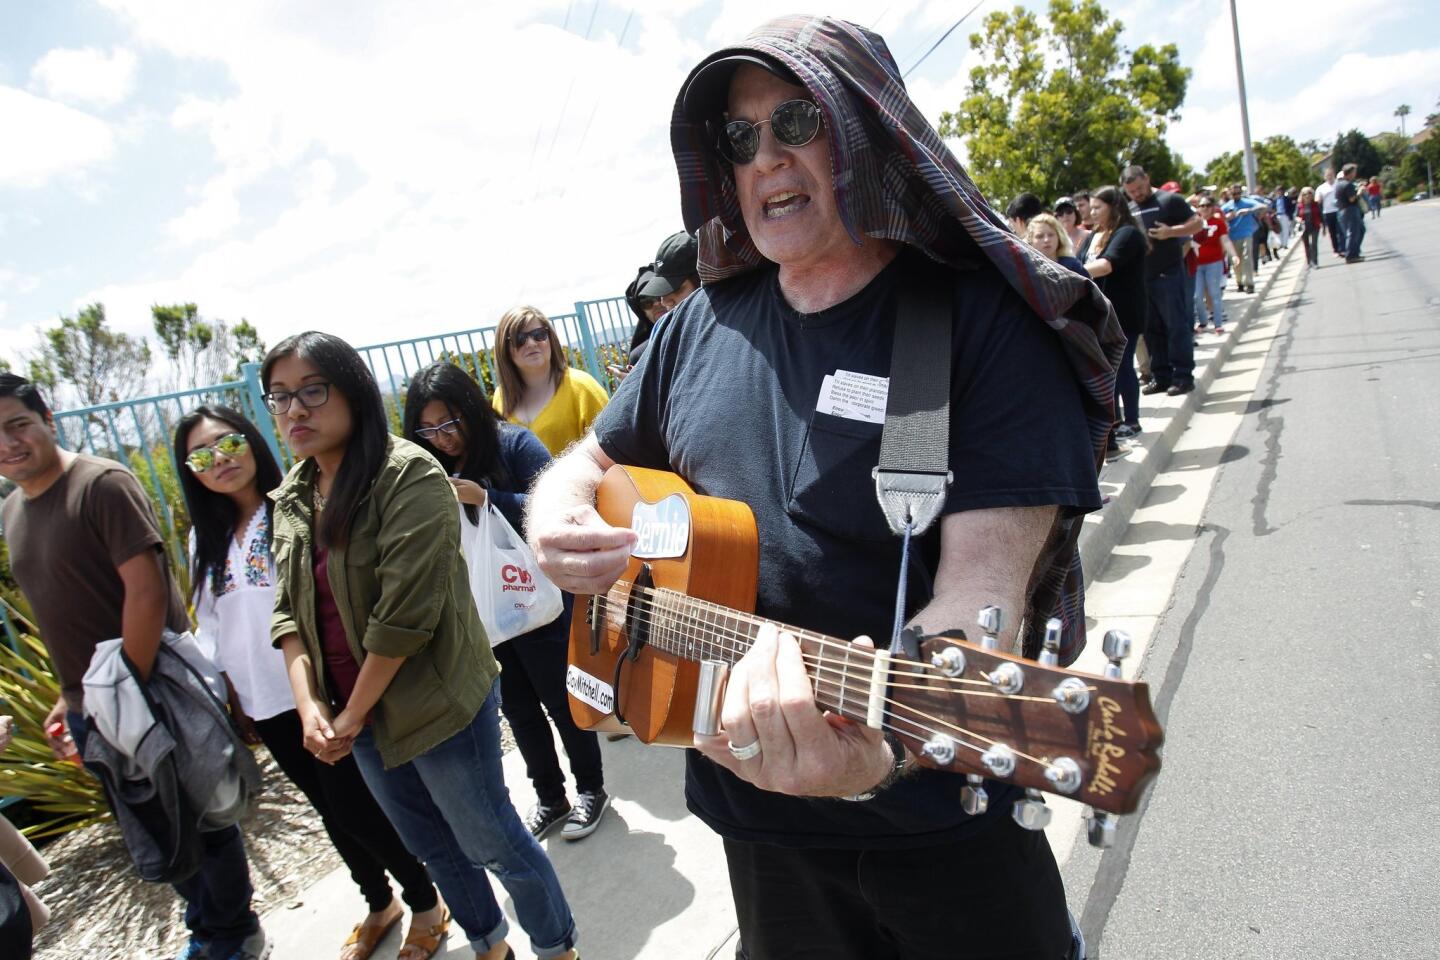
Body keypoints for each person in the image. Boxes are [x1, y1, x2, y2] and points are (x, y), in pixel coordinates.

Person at [528, 16, 1124, 960]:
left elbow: (983, 601)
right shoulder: (696, 327)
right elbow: (587, 463)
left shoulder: (981, 325)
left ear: (864, 133)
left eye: (794, 121)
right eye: (739, 137)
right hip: (753, 824)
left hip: (945, 826)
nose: (765, 157)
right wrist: (554, 512)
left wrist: (880, 751)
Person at [261, 334, 580, 960]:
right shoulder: (294, 496)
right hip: (361, 719)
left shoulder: (407, 474)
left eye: (311, 392)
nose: (294, 410)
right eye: (279, 397)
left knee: (490, 839)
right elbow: (288, 614)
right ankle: (491, 946)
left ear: (353, 395)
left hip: (435, 701)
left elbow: (403, 616)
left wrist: (346, 717)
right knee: (432, 846)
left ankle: (557, 947)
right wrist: (310, 710)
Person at [0, 373, 270, 960]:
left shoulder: (101, 484)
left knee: (199, 819)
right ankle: (208, 927)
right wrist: (68, 699)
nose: (8, 443)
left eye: (17, 424)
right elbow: (63, 613)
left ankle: (234, 936)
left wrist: (125, 693)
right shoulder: (14, 510)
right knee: (155, 831)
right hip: (93, 703)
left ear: (46, 417)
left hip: (145, 690)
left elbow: (146, 594)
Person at [174, 405, 442, 960]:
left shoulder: (294, 509)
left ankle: (425, 903)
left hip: (318, 696)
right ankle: (378, 902)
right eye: (200, 455)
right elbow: (214, 628)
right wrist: (232, 699)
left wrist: (323, 695)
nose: (218, 461)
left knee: (357, 809)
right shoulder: (205, 541)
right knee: (332, 815)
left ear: (251, 440)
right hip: (263, 704)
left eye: (227, 443)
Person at [402, 362, 609, 842]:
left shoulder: (514, 445)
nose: (442, 437)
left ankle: (592, 789)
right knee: (518, 708)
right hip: (484, 615)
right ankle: (550, 797)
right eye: (428, 428)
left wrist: (488, 497)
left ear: (470, 410)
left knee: (561, 701)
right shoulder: (427, 467)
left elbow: (559, 513)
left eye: (450, 423)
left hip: (537, 601)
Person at [1124, 164, 1204, 396]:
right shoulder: (1130, 209)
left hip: (1168, 273)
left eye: (1140, 188)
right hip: (1143, 278)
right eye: (1132, 192)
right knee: (1151, 329)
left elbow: (1197, 223)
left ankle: (1183, 376)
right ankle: (1161, 376)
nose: (1137, 194)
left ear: (1147, 179)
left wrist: (1172, 231)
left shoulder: (1170, 200)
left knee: (1176, 326)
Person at [491, 306, 609, 457]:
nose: (531, 343)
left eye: (539, 335)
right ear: (504, 348)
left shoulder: (582, 387)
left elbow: (614, 443)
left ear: (550, 338)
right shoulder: (500, 397)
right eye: (519, 339)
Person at [1082, 186, 1148, 441]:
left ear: (1114, 207)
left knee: (1123, 367)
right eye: (1092, 206)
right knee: (1109, 370)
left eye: (1098, 207)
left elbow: (1106, 265)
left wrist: (1066, 272)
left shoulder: (1127, 234)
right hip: (1101, 314)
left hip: (1125, 312)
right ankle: (1115, 420)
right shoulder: (1094, 235)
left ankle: (1131, 420)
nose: (1093, 212)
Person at [1191, 197, 1238, 334]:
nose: (1205, 208)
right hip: (1197, 264)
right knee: (1197, 296)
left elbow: (1225, 240)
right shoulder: (1194, 223)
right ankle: (1203, 322)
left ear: (1212, 207)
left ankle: (1218, 323)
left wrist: (1233, 255)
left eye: (1207, 205)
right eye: (1202, 205)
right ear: (1198, 208)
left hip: (1214, 263)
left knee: (1214, 293)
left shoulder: (1218, 223)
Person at [1221, 183, 1264, 294]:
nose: (1236, 195)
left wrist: (1249, 211)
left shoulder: (1247, 202)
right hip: (1232, 236)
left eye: (1238, 193)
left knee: (1247, 257)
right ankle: (1239, 282)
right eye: (1234, 193)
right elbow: (1219, 218)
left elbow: (1262, 206)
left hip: (1246, 234)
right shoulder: (1226, 207)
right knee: (1236, 260)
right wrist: (1227, 218)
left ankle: (1249, 283)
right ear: (1230, 193)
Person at [1025, 213, 1088, 277]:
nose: (1046, 240)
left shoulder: (1073, 266)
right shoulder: (1025, 269)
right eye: (1040, 236)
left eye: (1051, 235)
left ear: (1059, 237)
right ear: (1030, 241)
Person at [1334, 163, 1366, 263]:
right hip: (1350, 210)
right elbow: (1352, 199)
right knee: (1353, 232)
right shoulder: (1347, 184)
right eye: (1354, 172)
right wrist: (1360, 192)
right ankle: (1351, 255)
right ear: (1350, 173)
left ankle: (1354, 252)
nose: (1355, 174)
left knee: (1360, 230)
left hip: (1343, 210)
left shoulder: (1339, 184)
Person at [1316, 167, 1344, 259]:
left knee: (1340, 230)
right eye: (1327, 175)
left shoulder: (1338, 184)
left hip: (1339, 210)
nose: (1329, 177)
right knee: (1332, 232)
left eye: (1331, 175)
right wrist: (1319, 199)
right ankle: (1335, 250)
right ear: (1325, 177)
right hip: (1327, 212)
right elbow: (1317, 200)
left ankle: (1342, 249)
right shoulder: (1321, 187)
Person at [1295, 185, 1323, 268]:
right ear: (1302, 195)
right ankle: (1309, 262)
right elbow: (1296, 216)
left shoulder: (1316, 204)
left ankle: (1315, 262)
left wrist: (1324, 226)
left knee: (1314, 244)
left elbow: (1320, 215)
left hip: (1315, 226)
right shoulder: (1299, 206)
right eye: (1304, 194)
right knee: (1306, 245)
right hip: (1304, 227)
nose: (1307, 196)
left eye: (1309, 193)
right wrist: (1299, 219)